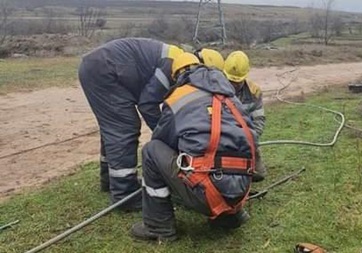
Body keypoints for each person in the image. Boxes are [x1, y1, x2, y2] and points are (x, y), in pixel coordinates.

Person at [130, 53, 257, 242]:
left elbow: (162, 140)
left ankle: (159, 226)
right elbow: (250, 137)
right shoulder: (231, 97)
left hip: (207, 193)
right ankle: (230, 217)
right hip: (240, 191)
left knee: (151, 150)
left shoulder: (178, 98)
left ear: (178, 76)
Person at [78, 38, 184, 212]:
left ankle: (109, 180)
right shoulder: (170, 67)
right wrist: (164, 138)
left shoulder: (176, 59)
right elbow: (148, 104)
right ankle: (124, 195)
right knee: (123, 128)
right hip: (104, 70)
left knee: (113, 127)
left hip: (99, 67)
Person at [223, 51, 267, 182]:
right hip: (223, 139)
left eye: (238, 82)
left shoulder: (254, 92)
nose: (234, 85)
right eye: (231, 81)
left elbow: (259, 120)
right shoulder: (215, 89)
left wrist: (249, 139)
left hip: (246, 140)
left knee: (259, 175)